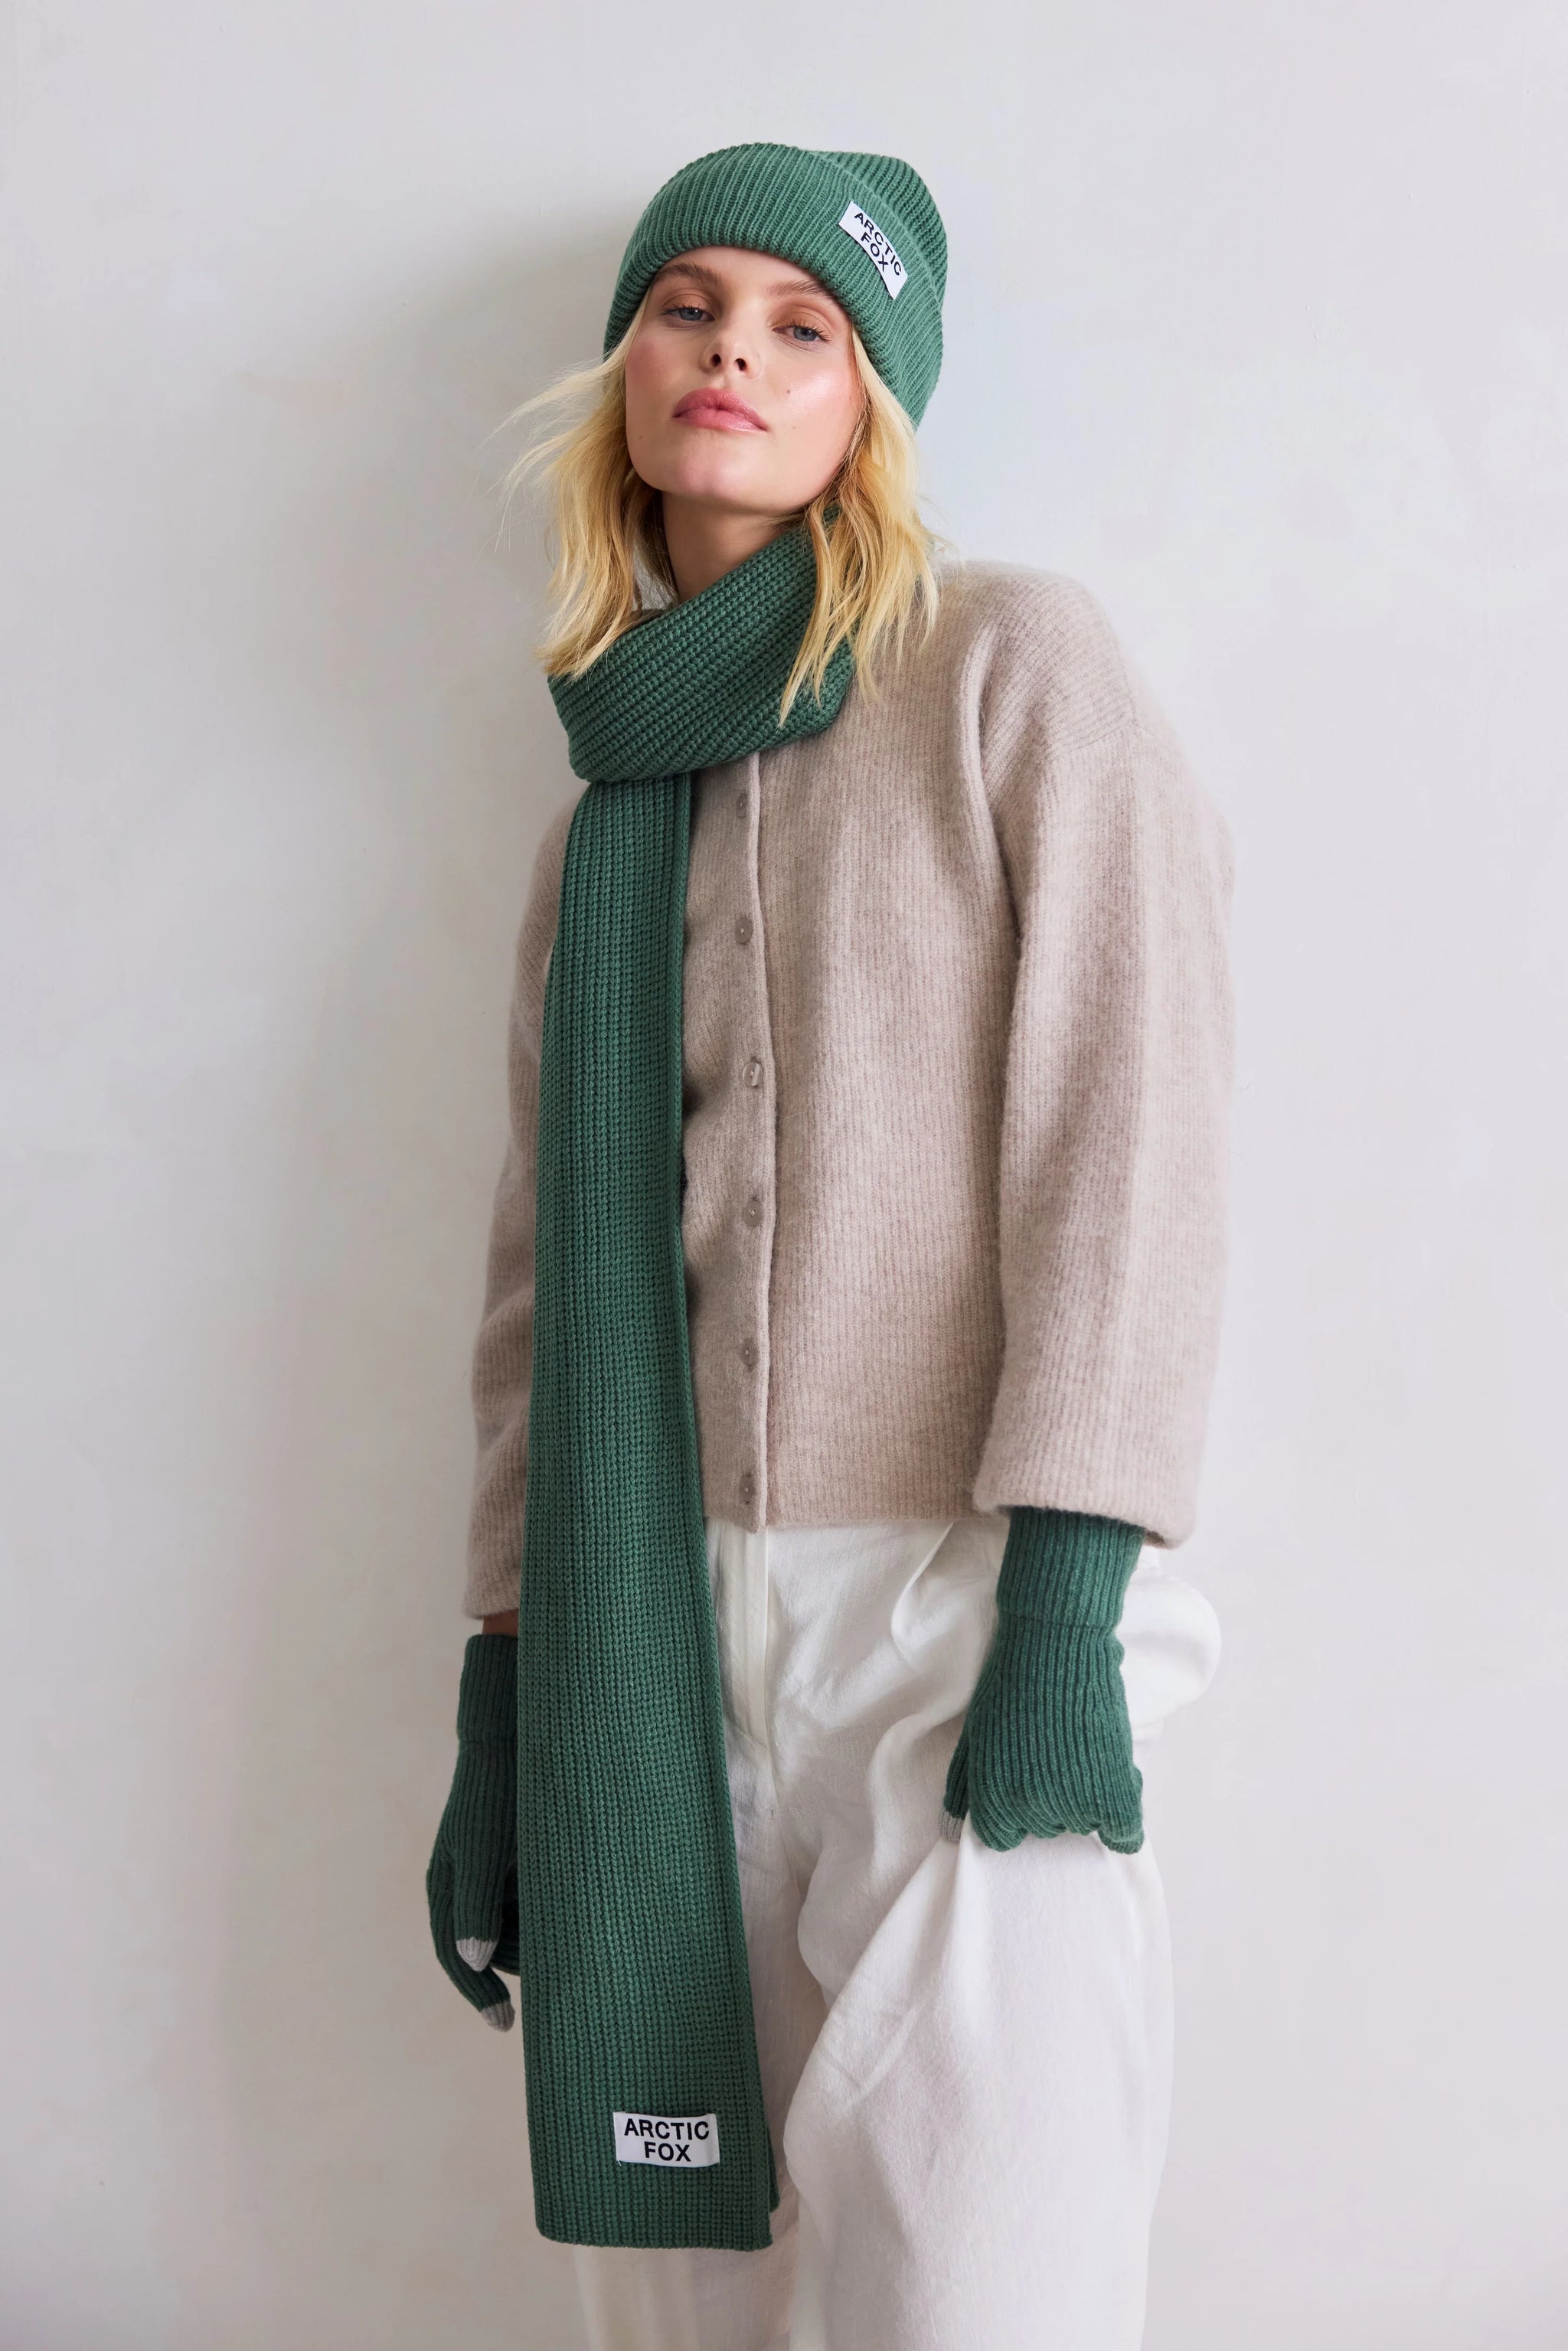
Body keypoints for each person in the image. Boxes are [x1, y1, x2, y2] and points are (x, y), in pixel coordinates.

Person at [425, 142, 1234, 2351]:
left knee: (994, 2292)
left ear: (872, 402)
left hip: (965, 1597)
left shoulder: (1009, 671)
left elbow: (1133, 1138)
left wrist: (1065, 1600)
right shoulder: (604, 813)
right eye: (687, 306)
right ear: (624, 369)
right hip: (645, 1632)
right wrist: (507, 1679)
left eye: (806, 327)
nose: (736, 354)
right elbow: (535, 1285)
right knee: (682, 2305)